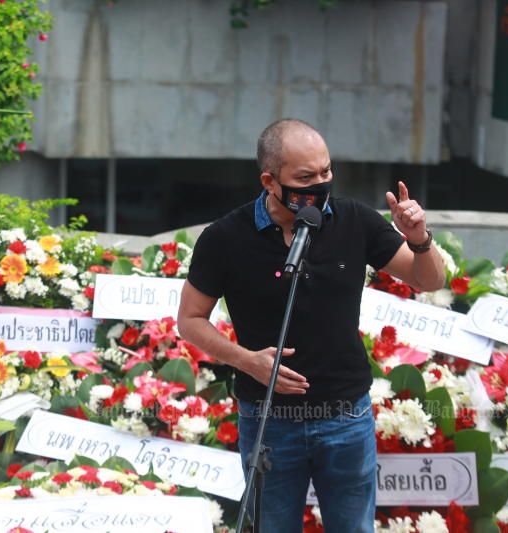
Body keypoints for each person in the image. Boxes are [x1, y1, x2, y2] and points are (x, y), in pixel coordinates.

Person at [177, 118, 445, 532]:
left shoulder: (354, 219)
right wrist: (247, 360)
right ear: (269, 180)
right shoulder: (224, 238)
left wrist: (419, 239)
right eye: (306, 177)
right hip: (268, 420)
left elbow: (429, 281)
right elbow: (190, 320)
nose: (320, 185)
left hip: (345, 416)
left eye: (326, 172)